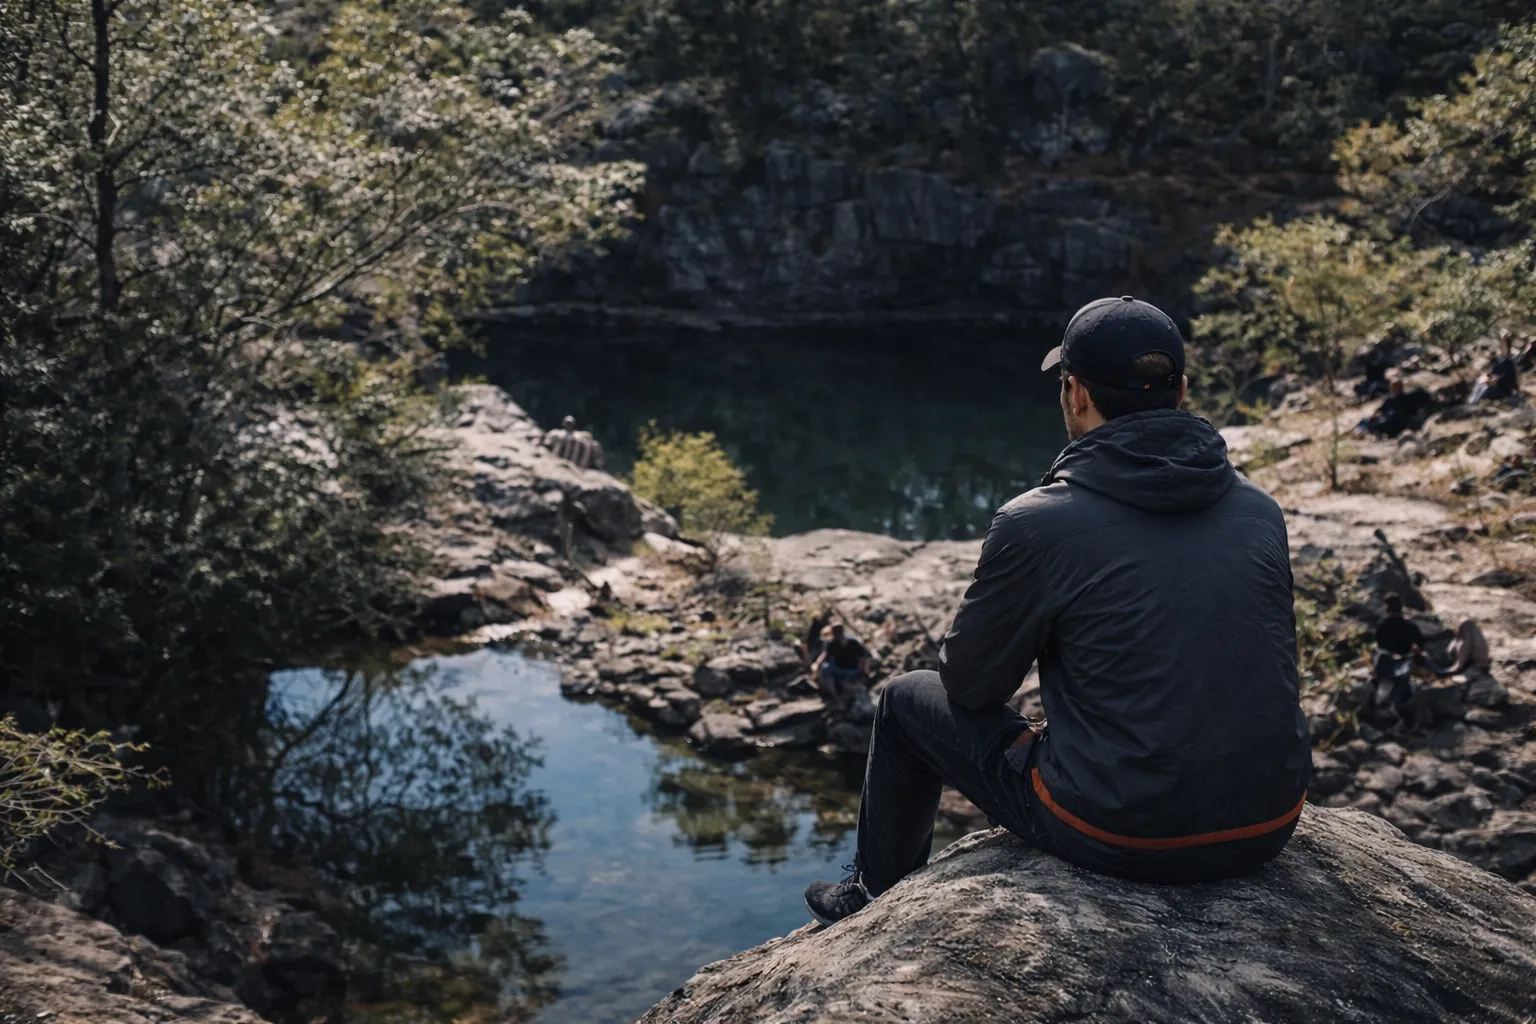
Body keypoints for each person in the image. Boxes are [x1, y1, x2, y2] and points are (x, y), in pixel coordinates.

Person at [803, 296, 1310, 926]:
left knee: (908, 700)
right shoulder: (1260, 510)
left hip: (1122, 832)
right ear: (1181, 390)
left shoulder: (1038, 523)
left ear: (1073, 393)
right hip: (1269, 822)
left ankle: (874, 895)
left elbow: (970, 684)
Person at [810, 621, 872, 710]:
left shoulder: (852, 642)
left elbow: (863, 657)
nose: (837, 634)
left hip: (853, 670)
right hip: (839, 669)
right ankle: (836, 698)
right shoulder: (832, 644)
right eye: (835, 631)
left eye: (839, 631)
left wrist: (863, 671)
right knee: (825, 668)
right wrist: (816, 666)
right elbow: (825, 656)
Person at [1354, 379, 1433, 439]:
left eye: (1396, 387)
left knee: (1377, 425)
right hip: (1386, 419)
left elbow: (1401, 414)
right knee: (1366, 420)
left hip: (1396, 424)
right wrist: (1374, 415)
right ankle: (1357, 432)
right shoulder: (1390, 399)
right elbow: (1381, 409)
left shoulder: (1406, 399)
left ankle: (1373, 436)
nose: (1393, 389)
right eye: (1392, 387)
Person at [541, 415, 606, 470]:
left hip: (575, 454)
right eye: (567, 423)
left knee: (593, 445)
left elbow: (590, 440)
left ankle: (590, 464)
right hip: (559, 452)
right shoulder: (557, 433)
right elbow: (547, 441)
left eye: (570, 423)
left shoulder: (578, 434)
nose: (568, 425)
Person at [1470, 339, 1519, 405]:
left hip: (1503, 391)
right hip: (1503, 389)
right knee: (1481, 383)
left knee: (1482, 385)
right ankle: (1474, 401)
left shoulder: (1505, 363)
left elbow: (1495, 379)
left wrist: (1487, 380)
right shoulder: (1504, 362)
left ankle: (1474, 402)